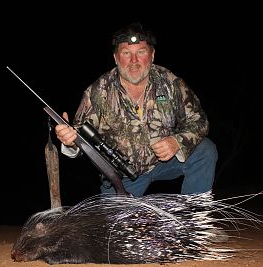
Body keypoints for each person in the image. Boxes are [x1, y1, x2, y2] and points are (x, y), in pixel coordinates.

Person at [55, 22, 218, 197]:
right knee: (115, 223)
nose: (134, 61)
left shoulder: (170, 83)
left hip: (164, 163)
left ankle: (196, 216)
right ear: (116, 58)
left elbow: (200, 121)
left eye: (141, 52)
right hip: (121, 176)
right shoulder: (97, 92)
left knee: (205, 150)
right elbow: (79, 138)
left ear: (152, 55)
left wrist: (177, 141)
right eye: (126, 53)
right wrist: (70, 143)